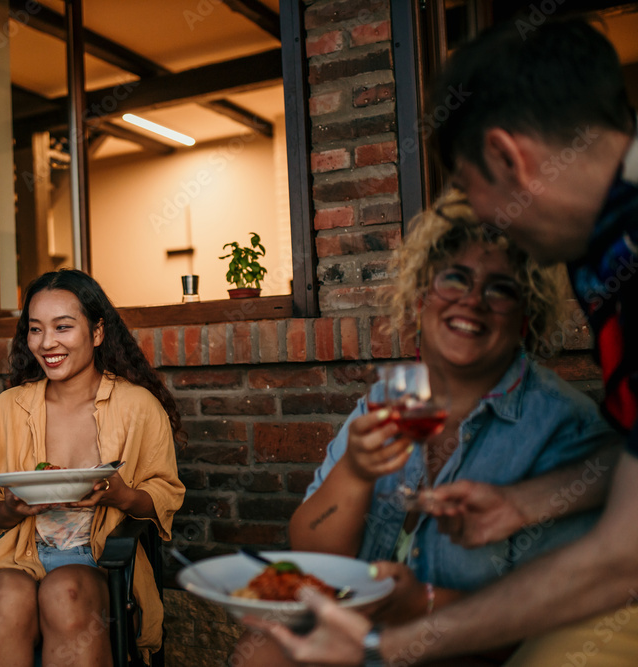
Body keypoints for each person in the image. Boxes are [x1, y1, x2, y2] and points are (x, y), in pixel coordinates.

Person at [241, 17, 638, 666]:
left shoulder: (571, 388)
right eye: (453, 276)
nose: (484, 218)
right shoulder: (611, 255)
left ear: (509, 159)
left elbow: (617, 558)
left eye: (470, 186)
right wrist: (516, 502)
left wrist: (389, 633)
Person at [230, 192, 616, 667]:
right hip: (363, 639)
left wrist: (420, 605)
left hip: (471, 652)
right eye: (454, 278)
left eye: (500, 288)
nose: (472, 301)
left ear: (525, 319)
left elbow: (550, 617)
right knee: (263, 651)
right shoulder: (388, 402)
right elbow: (310, 551)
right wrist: (353, 470)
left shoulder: (566, 429)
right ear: (419, 300)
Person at [0, 269, 185, 667]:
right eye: (35, 329)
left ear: (97, 332)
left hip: (99, 569)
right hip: (19, 559)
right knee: (6, 596)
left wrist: (123, 495)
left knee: (64, 590)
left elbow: (165, 496)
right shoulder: (7, 410)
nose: (47, 343)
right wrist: (13, 508)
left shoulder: (137, 407)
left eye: (63, 327)